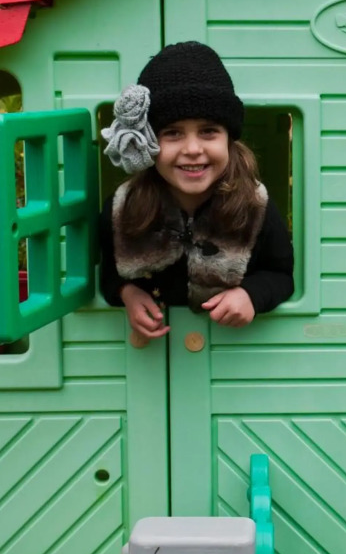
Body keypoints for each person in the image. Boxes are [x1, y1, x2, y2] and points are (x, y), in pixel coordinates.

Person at [99, 41, 294, 340]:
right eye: (172, 133)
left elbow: (282, 275)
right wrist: (126, 292)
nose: (192, 149)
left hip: (229, 358)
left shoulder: (255, 206)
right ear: (148, 142)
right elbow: (106, 271)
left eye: (208, 131)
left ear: (229, 138)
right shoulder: (123, 207)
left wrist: (251, 295)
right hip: (152, 364)